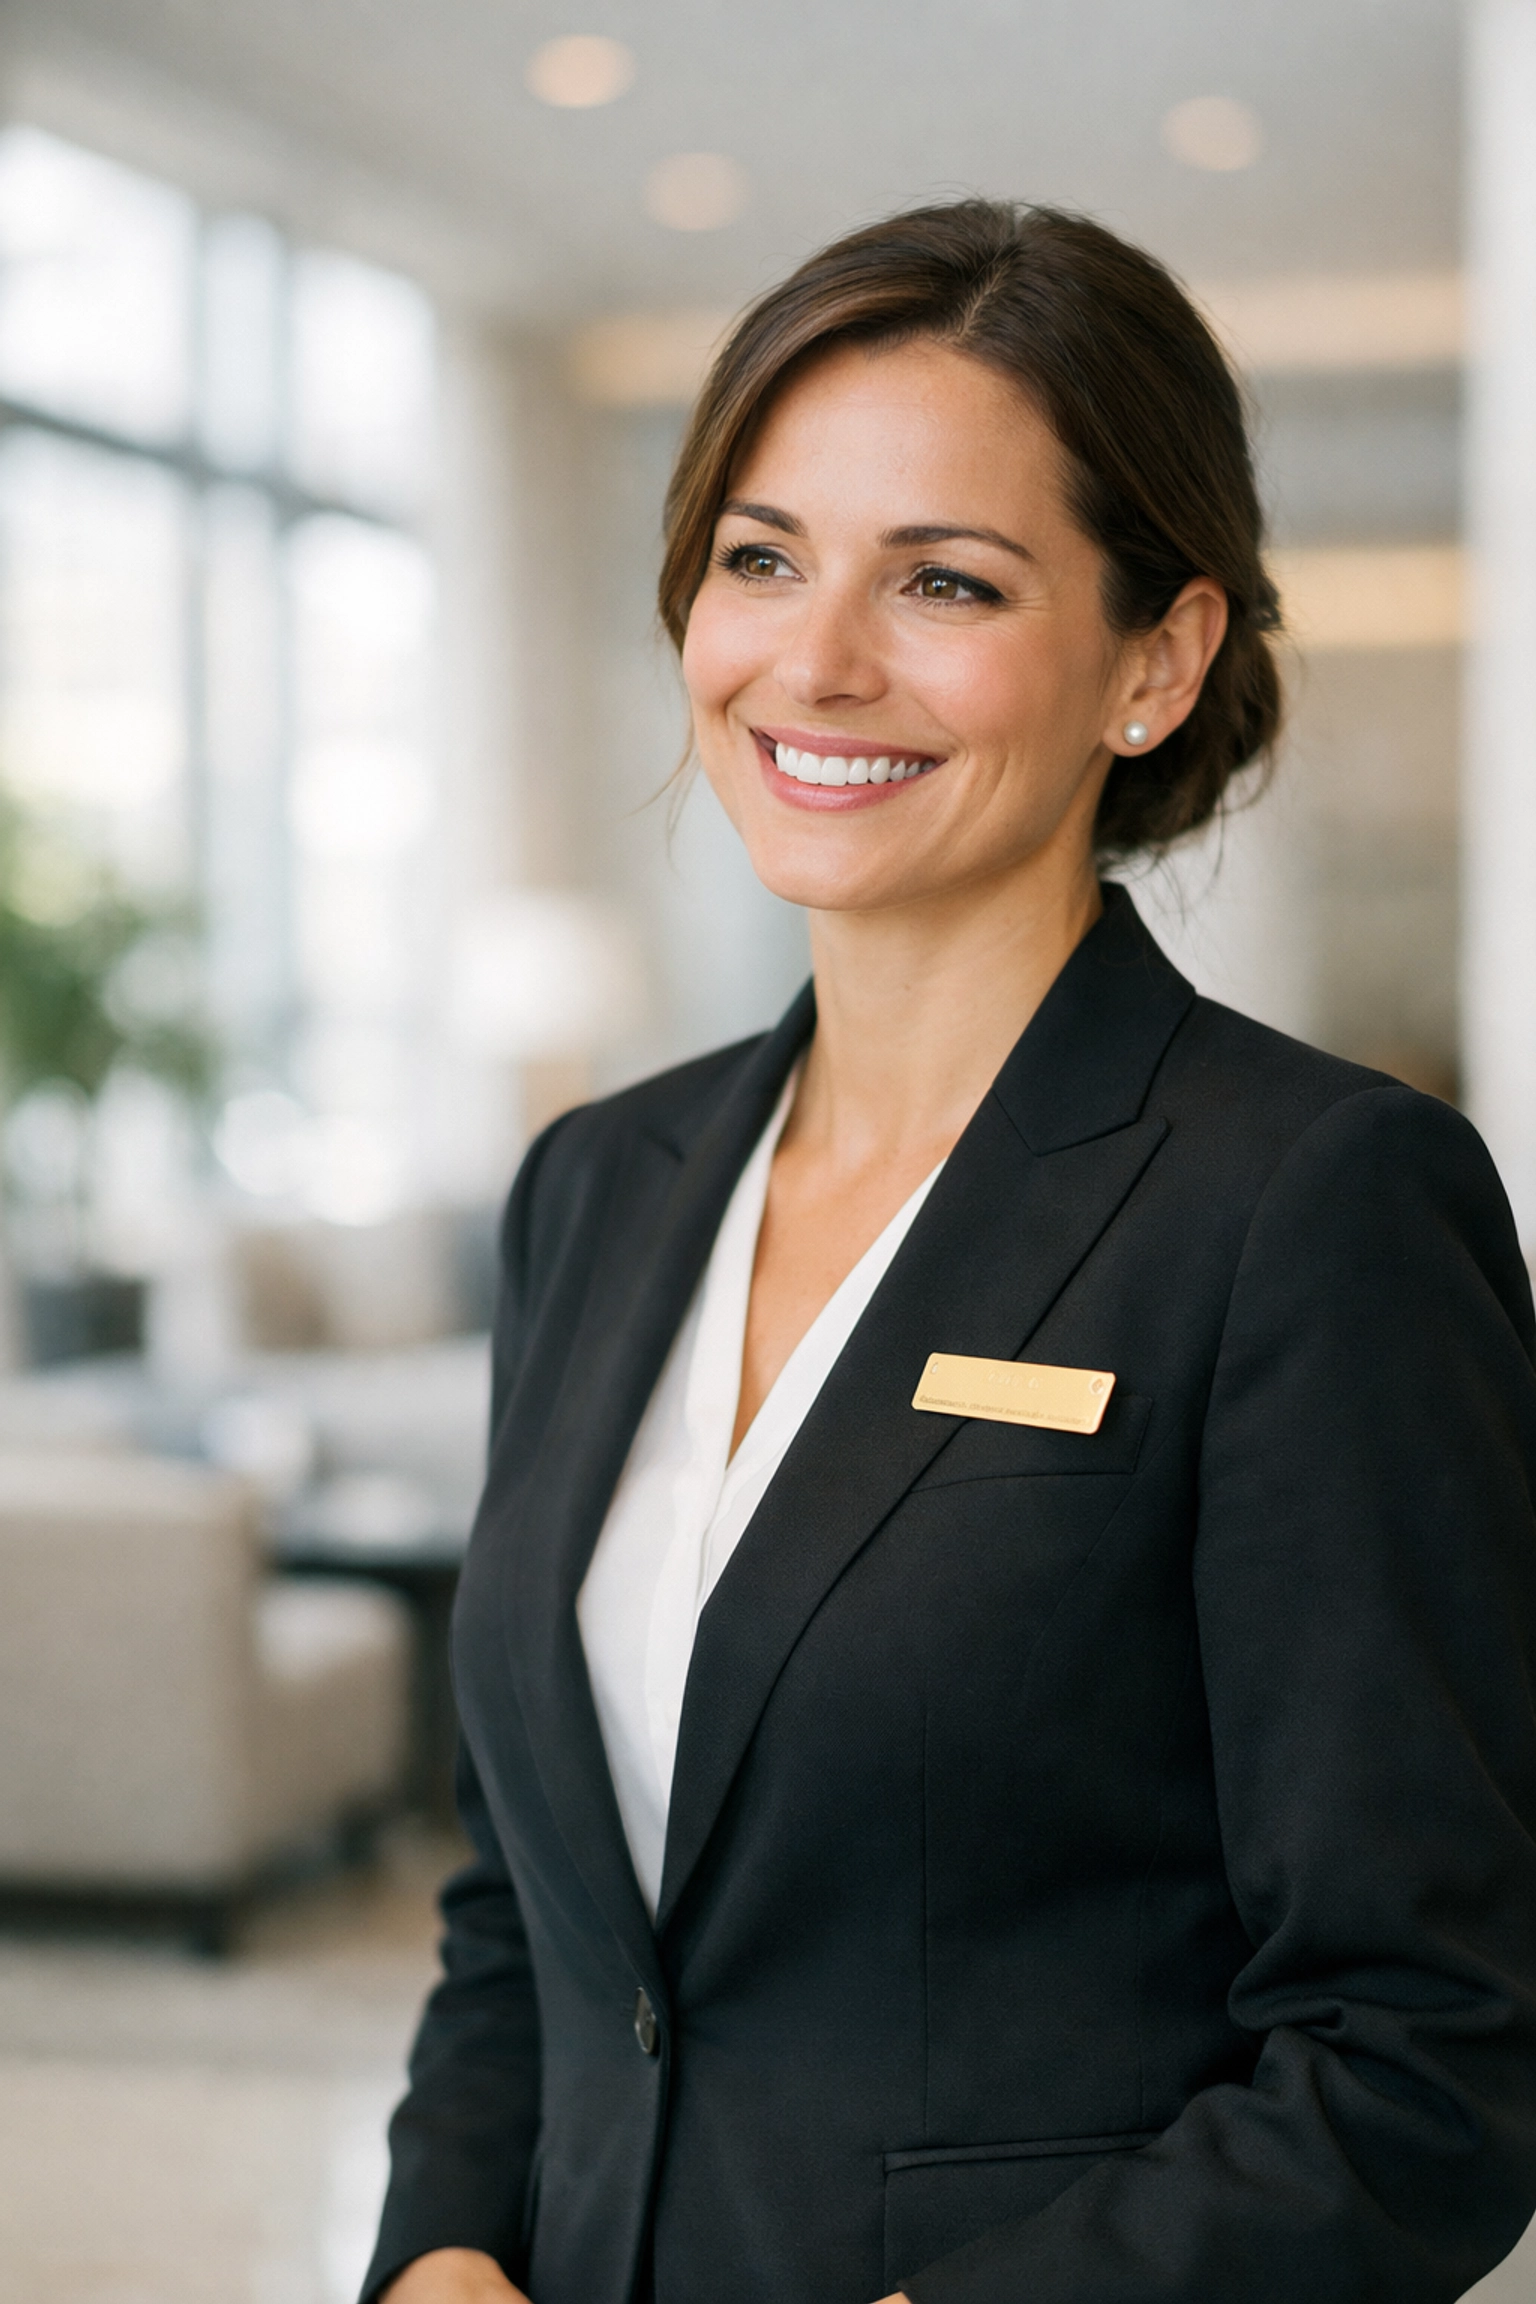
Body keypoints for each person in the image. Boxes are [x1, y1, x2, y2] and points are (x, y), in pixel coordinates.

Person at [363, 202, 1536, 2304]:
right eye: (761, 555)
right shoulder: (597, 1183)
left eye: (945, 583)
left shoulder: (1315, 1204)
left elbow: (1429, 2063)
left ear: (1155, 662)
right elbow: (525, 1907)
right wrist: (444, 2249)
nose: (815, 662)